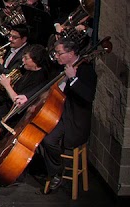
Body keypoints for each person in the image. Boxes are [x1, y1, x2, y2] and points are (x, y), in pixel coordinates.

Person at [33, 36, 96, 194]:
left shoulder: (86, 70)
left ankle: (56, 171)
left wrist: (73, 78)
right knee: (38, 135)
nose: (56, 56)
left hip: (74, 120)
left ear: (71, 53)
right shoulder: (59, 67)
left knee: (48, 140)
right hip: (58, 114)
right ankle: (55, 169)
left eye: (59, 53)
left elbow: (88, 96)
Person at [0, 45, 51, 161]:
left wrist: (7, 86)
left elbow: (19, 102)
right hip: (9, 105)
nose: (23, 60)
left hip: (18, 113)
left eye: (26, 58)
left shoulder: (40, 78)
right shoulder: (26, 69)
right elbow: (9, 73)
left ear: (36, 62)